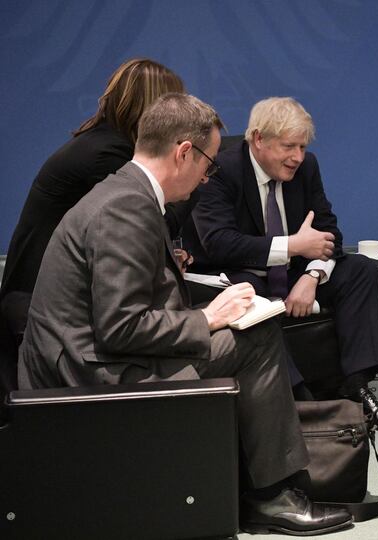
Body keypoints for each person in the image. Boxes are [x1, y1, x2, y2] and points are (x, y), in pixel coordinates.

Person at [17, 93, 353, 536]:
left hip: (90, 357)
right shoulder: (127, 207)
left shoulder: (123, 190)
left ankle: (266, 486)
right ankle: (273, 496)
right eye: (208, 166)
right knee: (258, 338)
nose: (206, 178)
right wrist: (208, 318)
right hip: (90, 377)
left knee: (250, 329)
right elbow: (121, 327)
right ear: (183, 153)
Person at [183, 97, 378, 430]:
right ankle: (299, 402)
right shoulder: (222, 170)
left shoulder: (307, 167)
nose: (298, 157)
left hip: (297, 271)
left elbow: (329, 231)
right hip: (240, 274)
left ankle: (357, 388)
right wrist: (293, 246)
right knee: (248, 292)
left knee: (360, 270)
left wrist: (312, 276)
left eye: (302, 146)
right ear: (258, 139)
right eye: (289, 146)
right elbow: (220, 243)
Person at [1, 59, 187, 305]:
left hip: (41, 295)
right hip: (42, 306)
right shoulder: (109, 156)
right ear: (157, 109)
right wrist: (190, 177)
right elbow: (153, 224)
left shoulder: (101, 142)